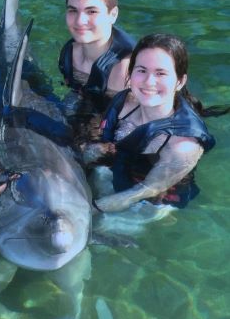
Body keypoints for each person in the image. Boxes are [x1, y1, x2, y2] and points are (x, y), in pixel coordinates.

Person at [81, 33, 219, 213]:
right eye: (142, 70)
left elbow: (144, 191)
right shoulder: (125, 102)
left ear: (180, 81)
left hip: (152, 200)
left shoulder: (182, 146)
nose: (149, 82)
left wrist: (90, 210)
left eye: (161, 73)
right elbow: (100, 132)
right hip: (116, 168)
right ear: (130, 73)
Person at [58, 0, 136, 121]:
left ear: (112, 15)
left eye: (91, 11)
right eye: (73, 10)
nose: (80, 21)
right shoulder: (70, 51)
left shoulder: (126, 70)